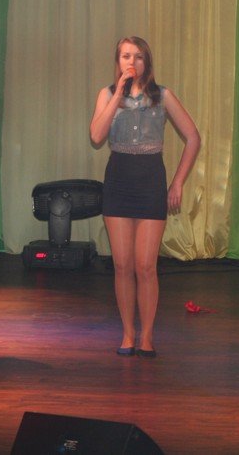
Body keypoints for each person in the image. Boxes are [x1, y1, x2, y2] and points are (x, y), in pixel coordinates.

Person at [89, 36, 200, 358]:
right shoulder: (107, 94)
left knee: (145, 266)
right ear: (118, 61)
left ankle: (147, 335)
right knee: (122, 265)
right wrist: (118, 95)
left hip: (151, 180)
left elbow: (193, 137)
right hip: (118, 180)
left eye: (137, 56)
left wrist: (177, 183)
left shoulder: (162, 96)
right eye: (125, 56)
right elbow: (96, 136)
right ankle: (127, 333)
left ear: (146, 62)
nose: (131, 62)